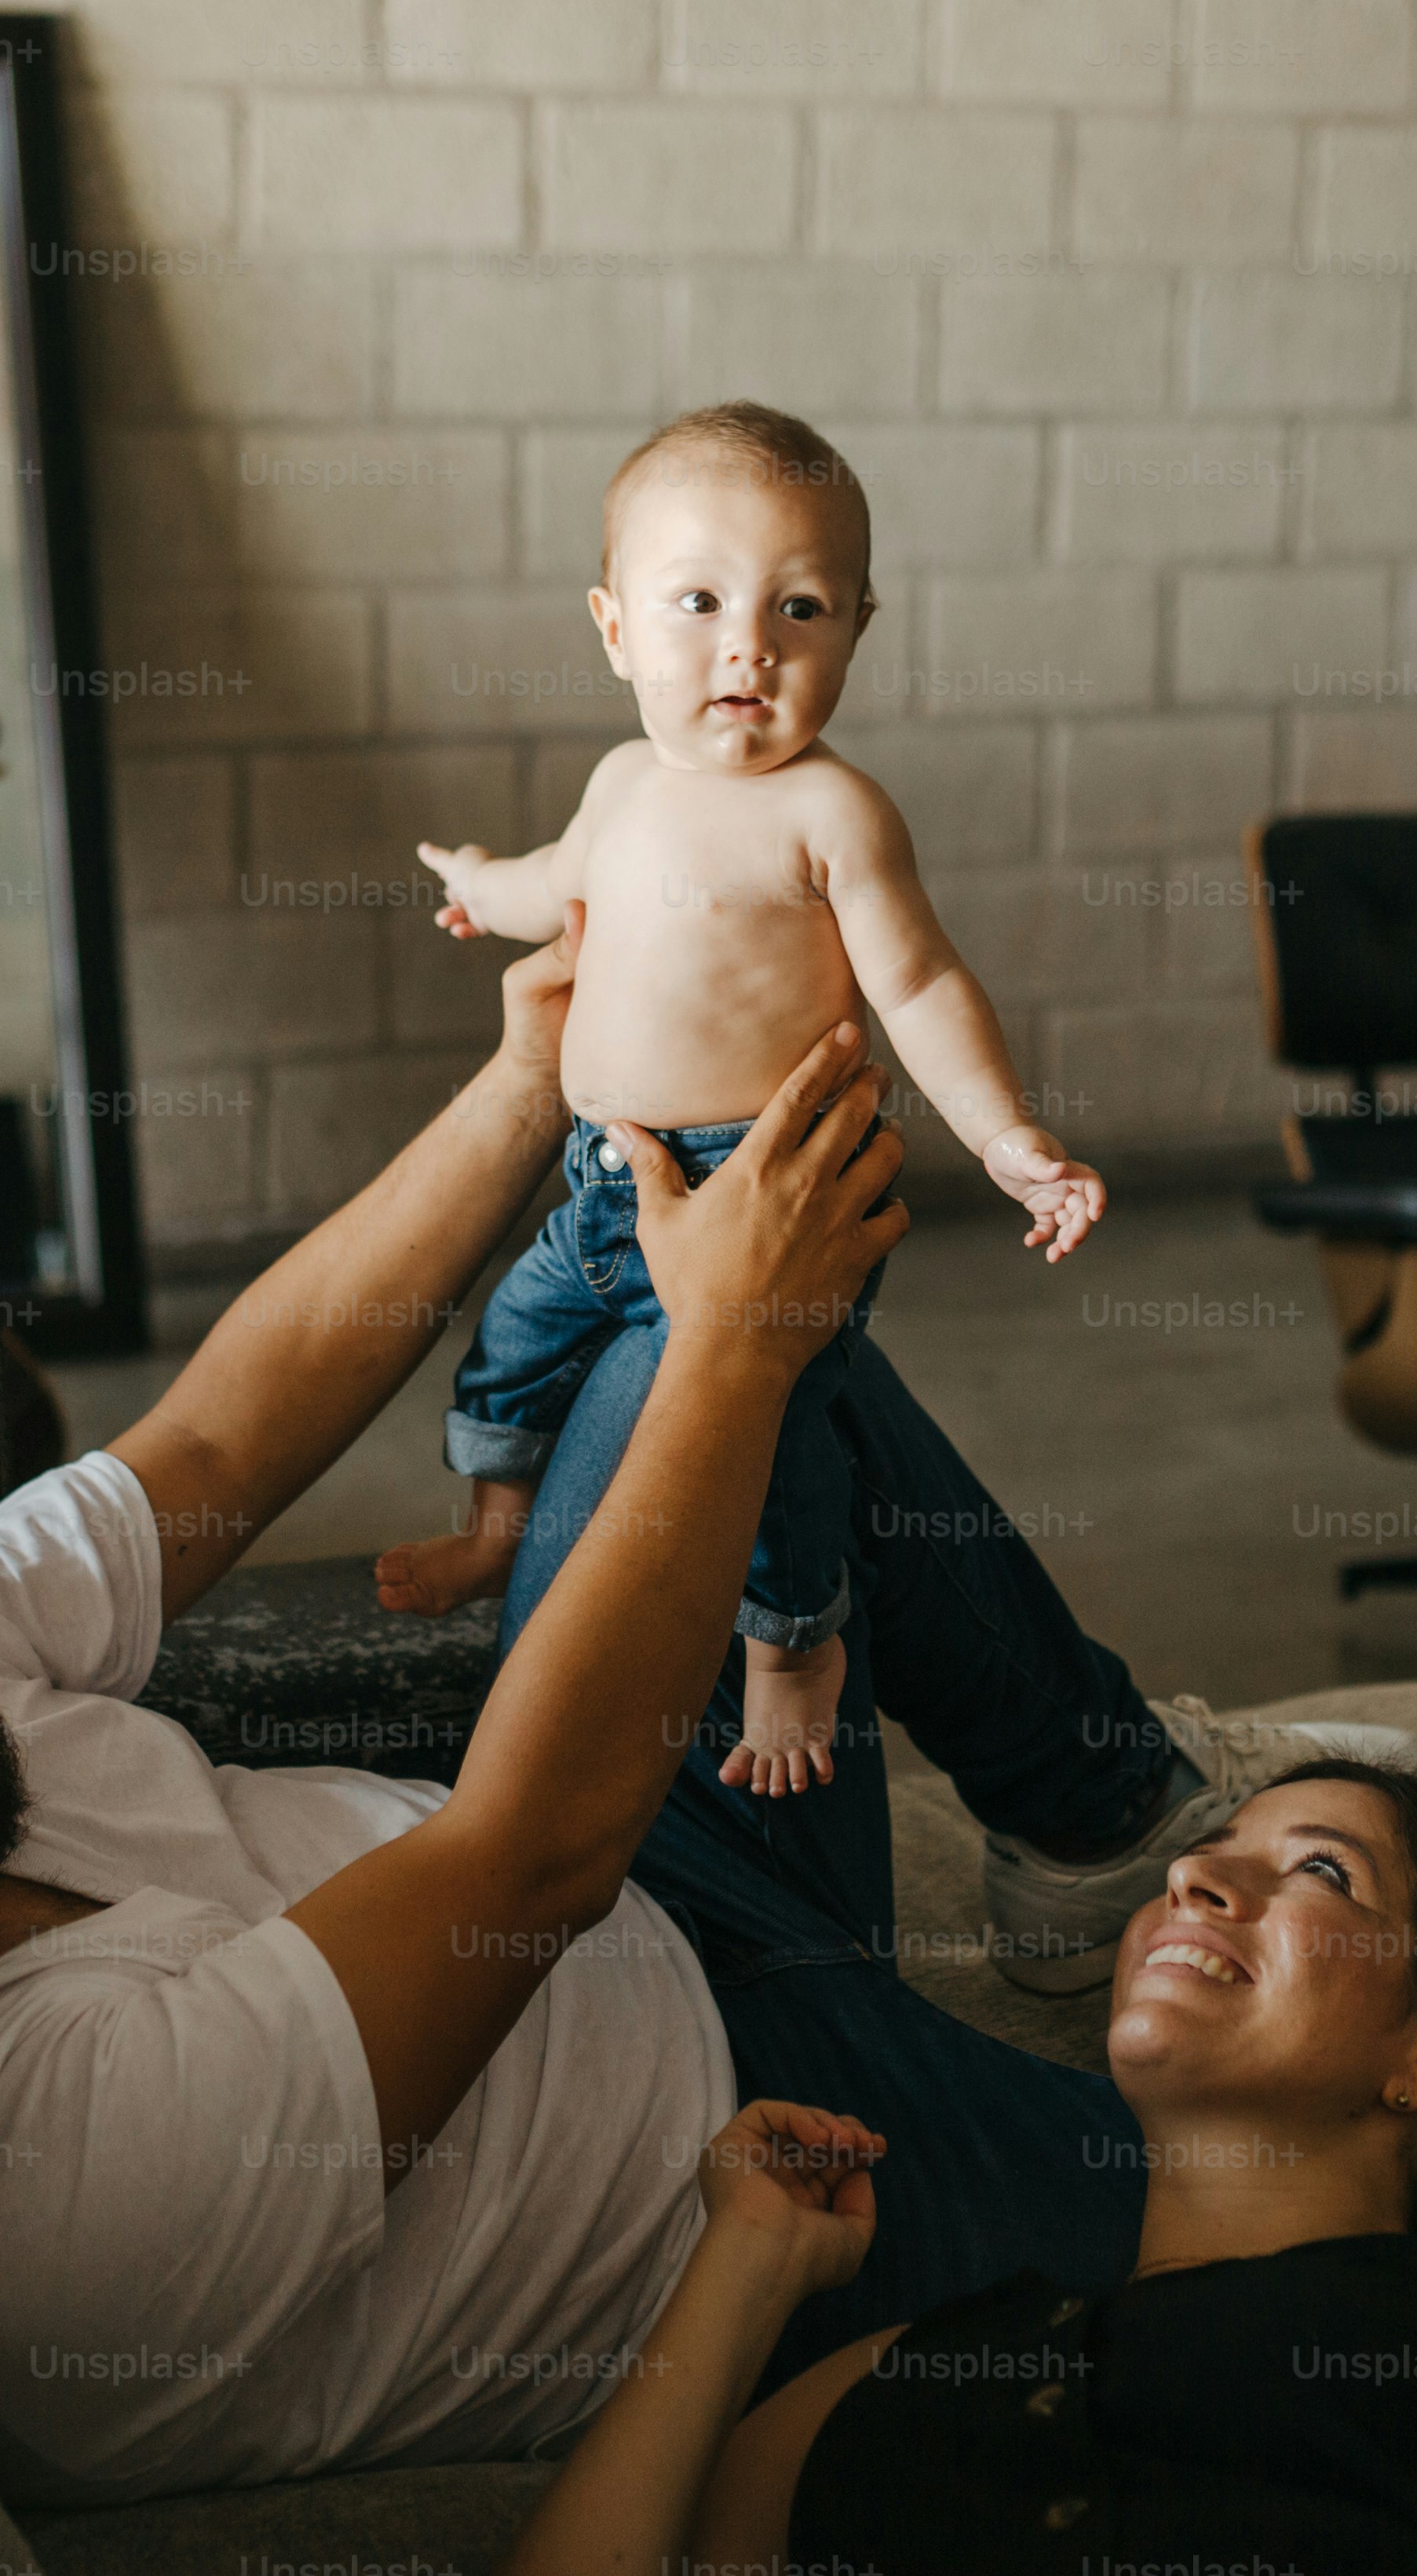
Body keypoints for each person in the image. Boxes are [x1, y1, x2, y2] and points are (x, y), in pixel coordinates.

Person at [0, 924, 1417, 2508]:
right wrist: (744, 1329)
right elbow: (520, 1852)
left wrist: (522, 1081)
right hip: (730, 2161)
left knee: (684, 1273)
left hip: (656, 1852)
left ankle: (1091, 1807)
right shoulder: (8, 2217)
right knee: (1309, 2237)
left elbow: (212, 1437)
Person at [499, 1761, 1417, 2576]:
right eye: (1210, 1844)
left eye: (1318, 1870)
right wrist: (745, 2263)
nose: (1191, 1873)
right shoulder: (870, 2373)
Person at [379, 400, 1108, 1799]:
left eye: (800, 608)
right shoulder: (618, 781)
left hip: (760, 1192)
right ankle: (496, 1513)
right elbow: (554, 878)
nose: (747, 646)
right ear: (611, 629)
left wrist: (1009, 1137)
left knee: (769, 1445)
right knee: (513, 1340)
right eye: (697, 600)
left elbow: (923, 985)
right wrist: (480, 885)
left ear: (857, 629)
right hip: (605, 1176)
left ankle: (795, 1645)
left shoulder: (832, 814)